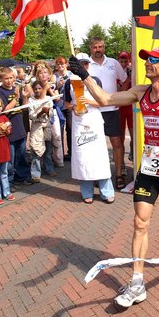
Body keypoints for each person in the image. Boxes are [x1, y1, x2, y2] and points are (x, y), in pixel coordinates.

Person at [69, 40, 159, 307]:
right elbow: (106, 99)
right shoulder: (140, 91)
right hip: (149, 165)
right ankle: (137, 282)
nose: (147, 63)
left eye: (153, 60)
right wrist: (84, 75)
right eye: (146, 60)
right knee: (140, 222)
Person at [64, 52, 115, 204]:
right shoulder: (69, 83)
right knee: (83, 157)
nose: (83, 66)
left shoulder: (96, 80)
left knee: (99, 156)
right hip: (79, 121)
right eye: (80, 63)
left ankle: (106, 191)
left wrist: (89, 102)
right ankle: (86, 191)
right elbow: (66, 103)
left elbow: (103, 101)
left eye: (86, 63)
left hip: (94, 118)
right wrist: (73, 106)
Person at [88, 37, 128, 190]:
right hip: (94, 111)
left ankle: (118, 174)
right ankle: (98, 175)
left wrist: (120, 96)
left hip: (112, 110)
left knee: (117, 144)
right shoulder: (86, 65)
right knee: (95, 146)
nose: (98, 50)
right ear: (90, 48)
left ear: (104, 47)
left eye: (100, 47)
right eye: (95, 47)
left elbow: (124, 80)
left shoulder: (113, 63)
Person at [0, 67, 32, 188]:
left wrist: (25, 96)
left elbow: (24, 107)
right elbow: (4, 111)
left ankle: (23, 177)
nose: (9, 81)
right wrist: (16, 98)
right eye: (6, 78)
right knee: (10, 159)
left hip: (20, 127)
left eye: (11, 78)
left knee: (21, 154)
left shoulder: (16, 89)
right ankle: (9, 182)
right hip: (8, 130)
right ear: (1, 79)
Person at [28, 81, 57, 183]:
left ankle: (49, 168)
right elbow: (31, 116)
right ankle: (35, 174)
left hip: (47, 126)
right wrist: (41, 112)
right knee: (36, 150)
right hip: (37, 127)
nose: (37, 90)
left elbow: (52, 113)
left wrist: (47, 111)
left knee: (48, 150)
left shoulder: (48, 99)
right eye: (35, 89)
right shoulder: (31, 100)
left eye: (39, 88)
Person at [54, 56, 73, 160]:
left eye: (62, 64)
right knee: (59, 129)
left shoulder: (71, 75)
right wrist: (58, 85)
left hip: (69, 104)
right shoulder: (54, 76)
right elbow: (52, 90)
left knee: (70, 128)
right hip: (59, 105)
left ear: (66, 64)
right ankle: (60, 154)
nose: (60, 66)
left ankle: (71, 152)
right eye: (58, 64)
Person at [117, 51, 133, 170]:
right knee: (120, 139)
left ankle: (133, 153)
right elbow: (121, 90)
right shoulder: (116, 75)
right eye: (121, 61)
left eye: (125, 61)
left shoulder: (133, 73)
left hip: (132, 109)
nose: (123, 64)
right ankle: (121, 164)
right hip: (120, 108)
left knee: (134, 137)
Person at [0, 96, 14, 204]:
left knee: (4, 172)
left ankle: (6, 192)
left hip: (4, 150)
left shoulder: (4, 118)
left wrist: (6, 129)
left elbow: (9, 133)